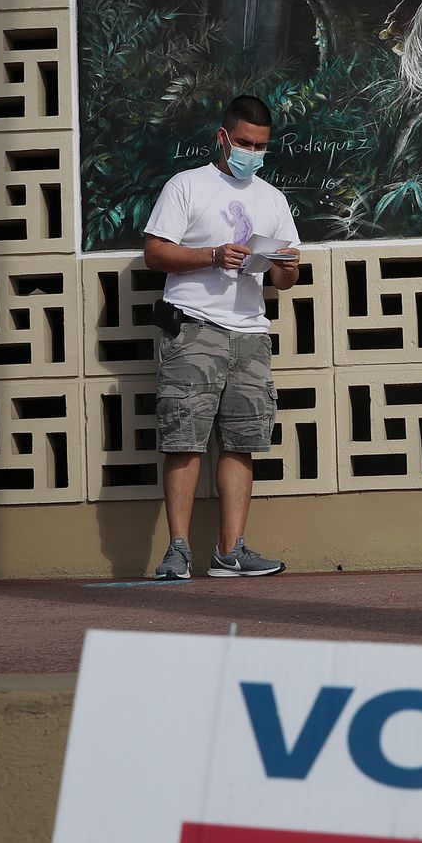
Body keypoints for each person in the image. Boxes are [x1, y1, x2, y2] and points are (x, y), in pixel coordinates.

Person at [141, 95, 300, 581]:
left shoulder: (272, 198)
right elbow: (154, 253)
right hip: (194, 327)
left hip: (250, 332)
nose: (252, 152)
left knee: (241, 441)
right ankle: (178, 550)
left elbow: (286, 280)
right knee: (184, 439)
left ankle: (231, 551)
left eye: (261, 146)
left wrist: (285, 266)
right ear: (223, 138)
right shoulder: (187, 185)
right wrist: (212, 256)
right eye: (245, 143)